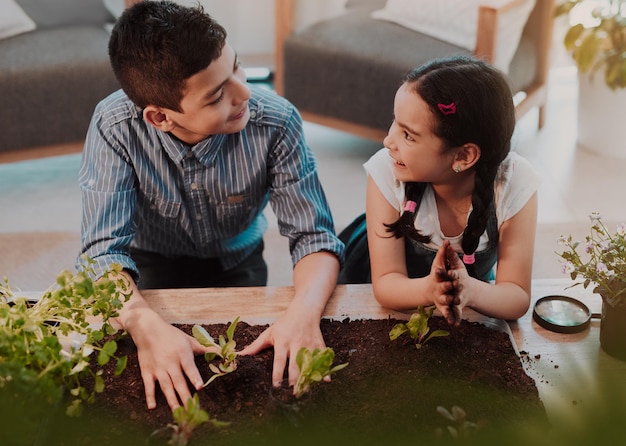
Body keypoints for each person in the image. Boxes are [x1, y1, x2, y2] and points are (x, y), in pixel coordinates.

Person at [77, 1, 343, 411]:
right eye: (218, 94)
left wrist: (304, 312)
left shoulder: (277, 121)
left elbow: (314, 237)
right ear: (159, 118)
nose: (245, 93)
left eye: (236, 67)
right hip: (150, 263)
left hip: (239, 260)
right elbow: (101, 254)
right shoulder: (114, 127)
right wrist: (144, 324)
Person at [339, 55, 540, 325]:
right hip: (389, 287)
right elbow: (386, 284)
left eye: (408, 135)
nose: (388, 141)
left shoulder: (514, 183)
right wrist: (429, 289)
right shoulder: (387, 170)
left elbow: (516, 297)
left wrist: (470, 289)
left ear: (464, 156)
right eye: (394, 122)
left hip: (471, 299)